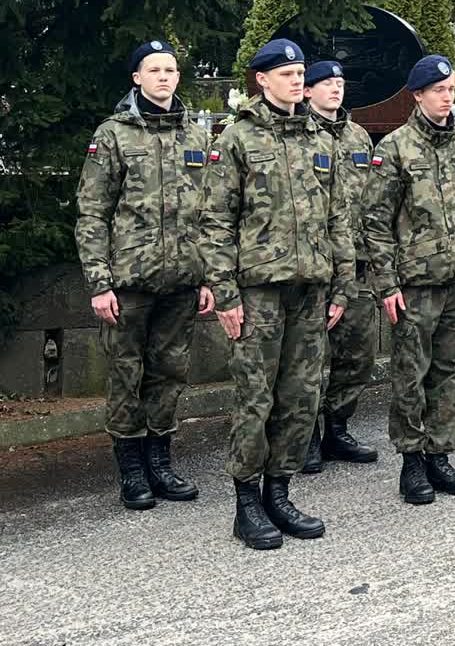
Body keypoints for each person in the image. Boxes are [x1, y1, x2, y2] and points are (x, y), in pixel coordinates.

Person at [200, 38, 355, 550]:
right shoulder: (238, 138)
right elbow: (215, 222)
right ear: (262, 80)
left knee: (301, 395)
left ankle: (280, 492)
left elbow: (337, 217)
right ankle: (247, 502)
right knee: (256, 398)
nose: (296, 80)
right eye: (286, 74)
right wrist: (225, 294)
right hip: (258, 290)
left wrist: (342, 284)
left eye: (300, 73)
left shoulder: (321, 138)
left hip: (311, 288)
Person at [75, 40, 210, 511]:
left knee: (169, 373)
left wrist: (209, 277)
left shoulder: (196, 136)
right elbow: (92, 212)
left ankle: (160, 461)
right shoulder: (114, 135)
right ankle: (131, 470)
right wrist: (100, 283)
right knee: (125, 374)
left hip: (183, 280)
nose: (163, 77)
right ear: (137, 78)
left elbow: (210, 212)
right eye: (154, 70)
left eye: (170, 70)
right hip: (128, 281)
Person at [365, 54, 455, 505]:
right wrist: (386, 284)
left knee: (453, 372)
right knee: (411, 375)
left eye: (450, 90)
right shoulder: (395, 149)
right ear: (417, 95)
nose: (446, 98)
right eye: (437, 91)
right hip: (415, 284)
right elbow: (375, 223)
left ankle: (440, 454)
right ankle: (412, 462)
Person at [300, 61, 380, 473]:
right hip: (315, 263)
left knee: (358, 355)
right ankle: (306, 436)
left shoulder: (358, 136)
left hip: (357, 263)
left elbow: (371, 198)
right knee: (308, 360)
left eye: (340, 83)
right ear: (307, 91)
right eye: (327, 83)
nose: (336, 89)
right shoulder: (299, 134)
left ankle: (337, 427)